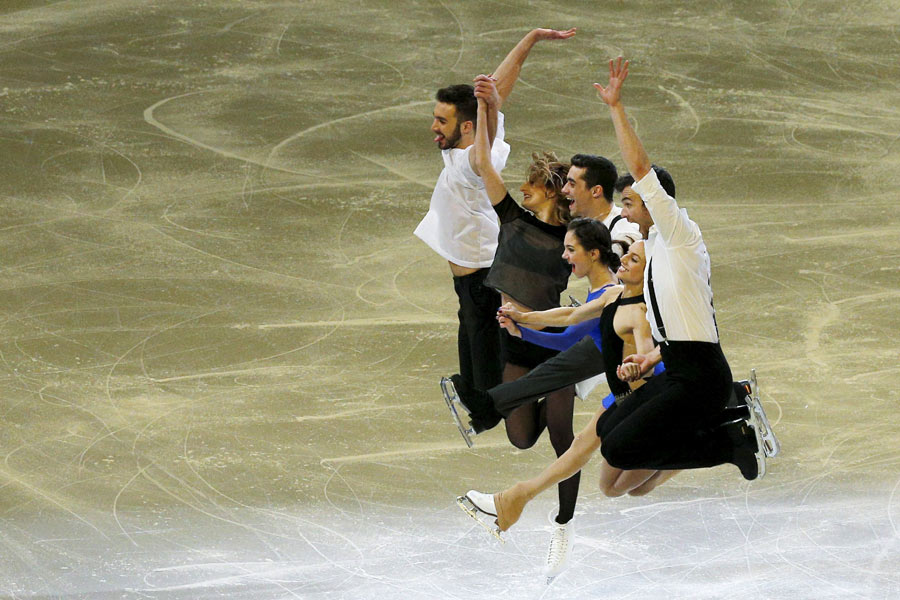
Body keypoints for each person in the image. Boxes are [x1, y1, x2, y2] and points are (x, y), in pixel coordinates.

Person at [442, 75, 579, 579]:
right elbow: (481, 162)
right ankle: (548, 397)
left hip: (555, 343)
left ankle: (564, 524)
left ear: (550, 192)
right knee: (521, 438)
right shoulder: (512, 219)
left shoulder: (574, 237)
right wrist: (487, 110)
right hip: (517, 344)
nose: (521, 187)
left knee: (562, 436)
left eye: (531, 184)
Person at [459, 241, 680, 545]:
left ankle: (512, 500)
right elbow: (569, 317)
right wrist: (523, 318)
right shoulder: (613, 294)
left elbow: (646, 357)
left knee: (602, 471)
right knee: (616, 487)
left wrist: (637, 367)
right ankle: (512, 501)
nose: (624, 260)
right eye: (627, 255)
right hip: (622, 394)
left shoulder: (642, 313)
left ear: (649, 274)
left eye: (634, 259)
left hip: (647, 398)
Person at [414, 28, 577, 433]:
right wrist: (530, 40)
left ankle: (489, 409)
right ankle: (485, 401)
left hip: (481, 272)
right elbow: (495, 87)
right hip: (473, 269)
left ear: (467, 127)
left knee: (481, 340)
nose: (434, 126)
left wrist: (490, 105)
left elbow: (483, 151)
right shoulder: (471, 141)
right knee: (472, 335)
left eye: (442, 120)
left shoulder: (472, 163)